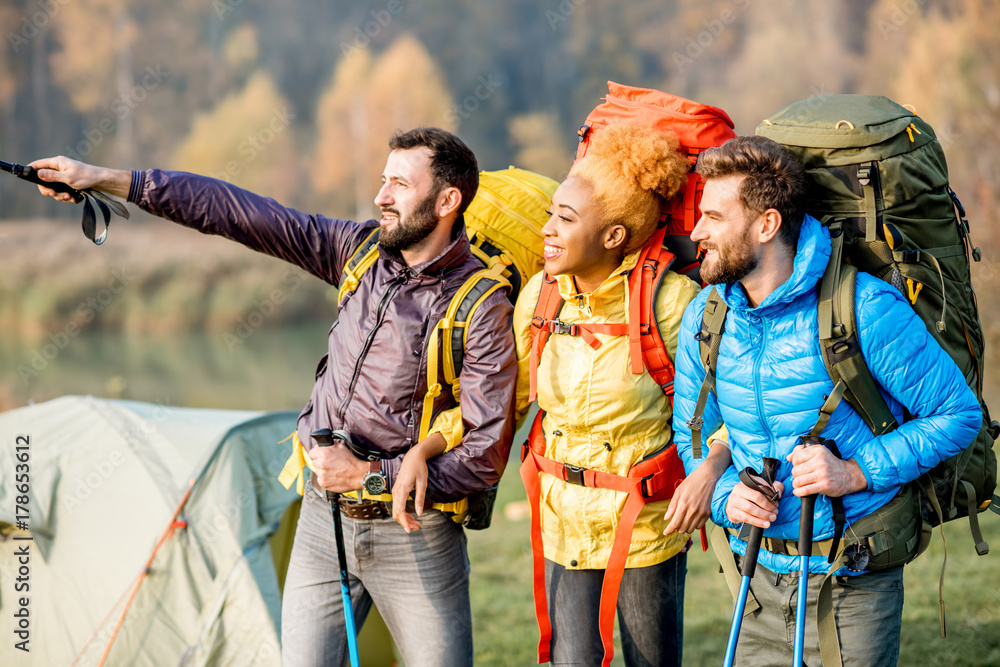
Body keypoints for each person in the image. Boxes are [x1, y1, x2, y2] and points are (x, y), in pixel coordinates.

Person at [30, 127, 517, 667]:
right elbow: (236, 212)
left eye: (399, 184)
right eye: (383, 180)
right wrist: (106, 180)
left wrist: (368, 476)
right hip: (320, 520)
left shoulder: (481, 305)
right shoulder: (356, 253)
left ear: (447, 201)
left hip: (415, 536)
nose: (381, 196)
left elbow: (485, 456)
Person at [672, 135, 981, 665]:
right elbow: (693, 434)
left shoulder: (863, 307)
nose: (696, 232)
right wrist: (725, 495)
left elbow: (958, 415)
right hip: (757, 579)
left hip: (854, 578)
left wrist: (855, 472)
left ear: (766, 225)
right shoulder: (705, 318)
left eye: (714, 217)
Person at [510, 121, 733, 667]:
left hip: (647, 523)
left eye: (566, 218)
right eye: (550, 213)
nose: (548, 229)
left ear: (613, 237)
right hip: (561, 520)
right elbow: (505, 398)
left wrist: (709, 470)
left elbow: (734, 406)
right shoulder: (540, 296)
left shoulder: (675, 303)